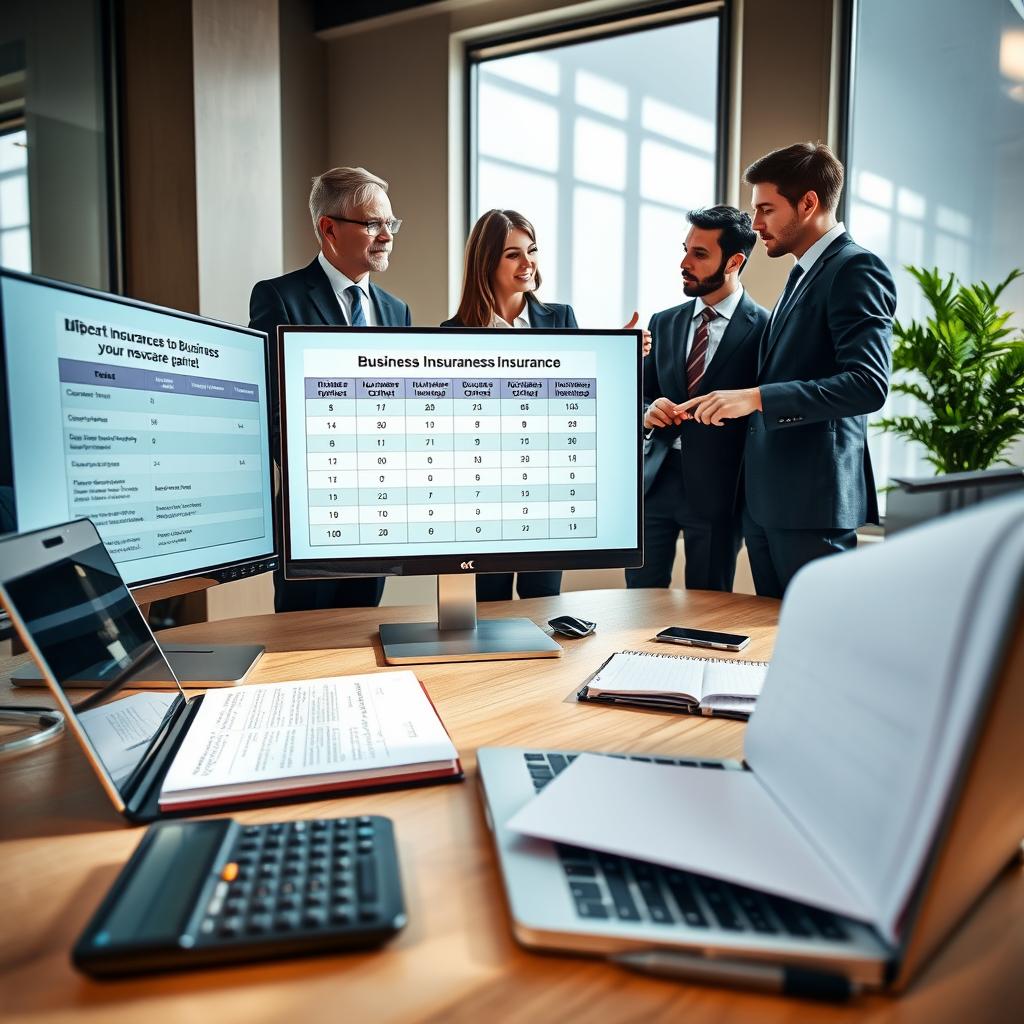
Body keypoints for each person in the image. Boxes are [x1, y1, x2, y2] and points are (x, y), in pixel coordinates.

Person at [674, 143, 896, 597]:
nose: (755, 225)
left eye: (766, 209)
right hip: (769, 504)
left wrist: (756, 397)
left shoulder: (856, 268)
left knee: (818, 646)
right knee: (771, 646)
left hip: (811, 506)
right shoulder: (800, 274)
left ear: (809, 203)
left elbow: (868, 384)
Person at [442, 209, 650, 602]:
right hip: (481, 493)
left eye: (531, 250)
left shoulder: (560, 318)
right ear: (486, 262)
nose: (528, 263)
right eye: (513, 254)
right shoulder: (453, 333)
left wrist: (619, 357)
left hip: (546, 489)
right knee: (487, 605)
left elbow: (580, 399)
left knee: (543, 601)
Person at [249, 166, 411, 612]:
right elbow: (270, 406)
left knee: (363, 633)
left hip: (379, 513)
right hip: (313, 517)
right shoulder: (279, 298)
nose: (387, 235)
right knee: (303, 644)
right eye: (374, 223)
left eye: (390, 224)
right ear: (329, 228)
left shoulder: (397, 310)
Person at [625, 205, 767, 592]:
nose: (684, 262)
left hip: (721, 492)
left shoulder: (765, 329)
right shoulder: (663, 321)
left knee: (708, 610)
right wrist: (647, 411)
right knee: (637, 601)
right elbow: (641, 396)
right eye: (685, 249)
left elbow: (764, 411)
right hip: (653, 484)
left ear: (734, 261)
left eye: (699, 254)